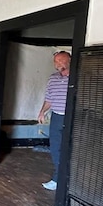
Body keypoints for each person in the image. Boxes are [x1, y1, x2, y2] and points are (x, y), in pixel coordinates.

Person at [37, 51, 71, 191]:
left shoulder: (78, 78)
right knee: (55, 148)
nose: (57, 64)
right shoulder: (53, 79)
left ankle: (65, 179)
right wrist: (42, 111)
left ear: (69, 60)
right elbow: (49, 99)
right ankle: (59, 179)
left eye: (61, 61)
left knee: (70, 148)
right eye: (55, 62)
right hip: (56, 116)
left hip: (72, 117)